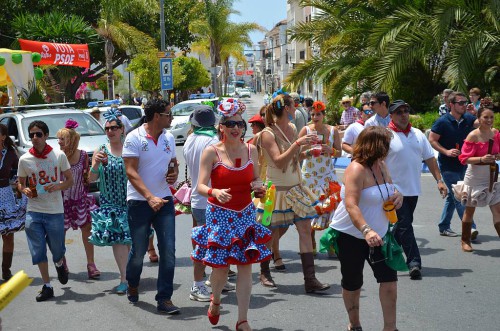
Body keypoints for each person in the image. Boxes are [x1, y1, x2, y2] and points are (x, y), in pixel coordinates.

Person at [192, 98, 271, 331]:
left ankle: (242, 320)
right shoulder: (211, 152)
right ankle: (215, 299)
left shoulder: (252, 150)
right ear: (221, 127)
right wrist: (215, 191)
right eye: (230, 124)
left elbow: (256, 177)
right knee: (221, 268)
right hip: (220, 215)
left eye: (239, 124)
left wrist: (259, 185)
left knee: (246, 266)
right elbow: (200, 186)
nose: (236, 128)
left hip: (245, 214)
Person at [328, 126, 403, 331]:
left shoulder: (382, 165)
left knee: (389, 282)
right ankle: (354, 324)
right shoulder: (356, 168)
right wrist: (366, 230)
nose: (388, 149)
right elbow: (351, 204)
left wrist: (398, 195)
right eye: (385, 144)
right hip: (351, 235)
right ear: (375, 146)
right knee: (353, 283)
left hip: (380, 235)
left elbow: (389, 188)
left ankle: (390, 328)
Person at [256, 94, 330, 292]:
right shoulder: (268, 133)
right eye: (293, 105)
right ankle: (264, 271)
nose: (296, 108)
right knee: (268, 233)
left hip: (296, 188)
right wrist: (298, 144)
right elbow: (279, 161)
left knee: (305, 229)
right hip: (275, 191)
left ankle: (310, 279)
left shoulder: (293, 128)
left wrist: (308, 152)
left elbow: (293, 159)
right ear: (287, 108)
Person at [123, 99, 180, 314]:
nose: (171, 117)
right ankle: (133, 283)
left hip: (164, 200)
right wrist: (149, 197)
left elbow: (173, 162)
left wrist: (173, 171)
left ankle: (164, 298)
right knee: (138, 252)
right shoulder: (133, 138)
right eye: (168, 114)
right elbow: (130, 171)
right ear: (157, 116)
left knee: (169, 251)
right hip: (139, 202)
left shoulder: (169, 137)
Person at [385, 100, 447, 280]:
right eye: (399, 112)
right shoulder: (385, 135)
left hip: (413, 190)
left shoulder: (418, 134)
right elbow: (379, 162)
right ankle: (414, 263)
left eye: (406, 111)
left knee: (401, 227)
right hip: (394, 191)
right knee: (405, 225)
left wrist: (439, 181)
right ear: (391, 116)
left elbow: (429, 158)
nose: (403, 114)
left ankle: (383, 250)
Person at [17, 120, 73, 302]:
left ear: (46, 136)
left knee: (57, 249)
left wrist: (58, 186)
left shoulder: (58, 155)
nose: (35, 138)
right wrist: (23, 189)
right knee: (38, 250)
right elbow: (20, 183)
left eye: (38, 134)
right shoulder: (24, 159)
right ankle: (47, 285)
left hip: (54, 210)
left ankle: (59, 263)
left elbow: (69, 180)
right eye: (32, 134)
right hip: (33, 210)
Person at [88, 109, 131, 294]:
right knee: (118, 240)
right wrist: (95, 165)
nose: (110, 131)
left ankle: (130, 273)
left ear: (122, 129)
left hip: (130, 200)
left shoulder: (130, 148)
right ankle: (124, 277)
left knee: (130, 241)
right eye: (107, 128)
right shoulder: (101, 150)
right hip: (110, 202)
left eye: (114, 127)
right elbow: (90, 179)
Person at [452, 98, 500, 252]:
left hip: (491, 175)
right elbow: (464, 159)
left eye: (491, 117)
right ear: (479, 118)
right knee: (470, 209)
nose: (489, 120)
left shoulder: (496, 133)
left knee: (497, 209)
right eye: (485, 117)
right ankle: (465, 241)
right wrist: (481, 159)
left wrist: (497, 155)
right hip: (475, 177)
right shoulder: (473, 135)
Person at [429, 92, 478, 238]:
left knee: (453, 195)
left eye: (465, 102)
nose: (464, 105)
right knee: (460, 194)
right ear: (451, 105)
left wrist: (477, 113)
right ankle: (470, 227)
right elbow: (432, 140)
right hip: (448, 165)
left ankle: (444, 226)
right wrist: (446, 151)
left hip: (464, 163)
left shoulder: (468, 118)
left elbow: (483, 125)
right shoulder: (442, 121)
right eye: (460, 103)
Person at [183, 105, 219, 302]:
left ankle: (214, 280)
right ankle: (197, 285)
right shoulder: (213, 142)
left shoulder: (190, 139)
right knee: (209, 245)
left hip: (198, 199)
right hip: (211, 199)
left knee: (204, 242)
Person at [56, 120, 99, 279]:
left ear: (71, 140)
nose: (59, 142)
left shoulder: (82, 155)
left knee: (87, 230)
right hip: (62, 201)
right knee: (60, 233)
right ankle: (62, 261)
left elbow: (87, 177)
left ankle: (91, 264)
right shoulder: (57, 156)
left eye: (62, 139)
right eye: (59, 139)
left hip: (80, 198)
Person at [298, 101, 341, 254]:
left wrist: (331, 150)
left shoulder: (333, 130)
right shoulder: (305, 130)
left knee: (334, 210)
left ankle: (331, 243)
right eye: (313, 114)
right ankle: (312, 244)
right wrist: (309, 152)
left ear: (323, 115)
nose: (315, 117)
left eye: (318, 114)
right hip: (309, 176)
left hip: (328, 175)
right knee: (310, 210)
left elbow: (340, 152)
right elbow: (296, 154)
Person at [0, 124, 27, 280]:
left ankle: (6, 270)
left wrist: (22, 187)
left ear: (3, 136)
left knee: (8, 236)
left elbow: (21, 174)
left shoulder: (10, 154)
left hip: (6, 197)